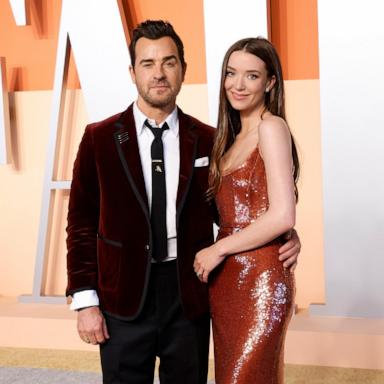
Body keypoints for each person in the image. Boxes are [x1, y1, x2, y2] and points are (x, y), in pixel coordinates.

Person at [66, 20, 300, 384]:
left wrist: (285, 235)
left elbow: (230, 206)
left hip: (190, 292)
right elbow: (81, 224)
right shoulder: (99, 138)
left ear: (183, 70)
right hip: (123, 297)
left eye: (169, 62)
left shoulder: (210, 140)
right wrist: (86, 301)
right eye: (148, 64)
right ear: (132, 72)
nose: (159, 74)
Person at [194, 37, 299, 384]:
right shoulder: (229, 138)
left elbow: (282, 214)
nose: (237, 85)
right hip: (225, 283)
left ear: (270, 83)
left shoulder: (272, 127)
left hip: (262, 280)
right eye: (231, 73)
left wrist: (219, 248)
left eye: (251, 76)